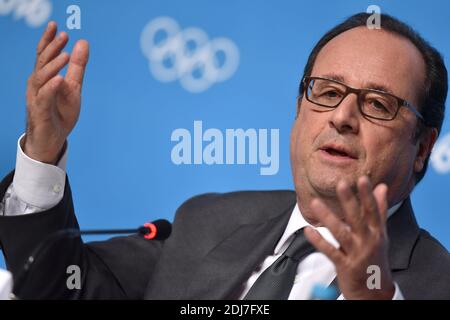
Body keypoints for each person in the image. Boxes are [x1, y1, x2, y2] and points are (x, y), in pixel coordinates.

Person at [0, 12, 449, 300]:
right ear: (299, 112)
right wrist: (44, 148)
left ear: (422, 149)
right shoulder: (209, 220)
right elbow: (60, 286)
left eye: (376, 104)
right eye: (327, 92)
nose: (342, 117)